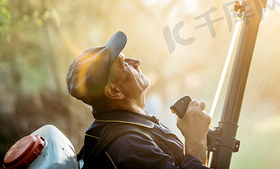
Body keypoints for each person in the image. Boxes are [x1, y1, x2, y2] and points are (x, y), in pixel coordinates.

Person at [66, 31, 211, 168]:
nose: (136, 61)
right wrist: (195, 140)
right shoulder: (128, 146)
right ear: (114, 91)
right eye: (124, 63)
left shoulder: (129, 125)